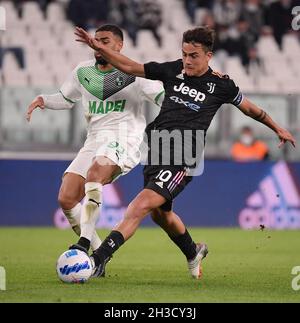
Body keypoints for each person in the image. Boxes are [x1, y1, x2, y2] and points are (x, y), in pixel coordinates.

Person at [74, 26, 296, 279]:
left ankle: (98, 259)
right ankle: (193, 251)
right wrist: (99, 48)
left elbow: (250, 110)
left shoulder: (221, 85)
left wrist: (278, 127)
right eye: (185, 54)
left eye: (194, 56)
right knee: (161, 214)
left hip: (183, 156)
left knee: (140, 205)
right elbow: (130, 66)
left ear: (208, 56)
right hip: (157, 148)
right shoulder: (172, 69)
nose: (187, 61)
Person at [26, 25, 164, 275]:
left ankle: (84, 243)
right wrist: (43, 100)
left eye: (105, 41)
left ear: (119, 46)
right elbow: (66, 98)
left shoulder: (135, 73)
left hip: (125, 137)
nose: (97, 44)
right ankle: (99, 256)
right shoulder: (82, 71)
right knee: (66, 197)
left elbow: (164, 97)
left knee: (95, 172)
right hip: (94, 139)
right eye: (96, 40)